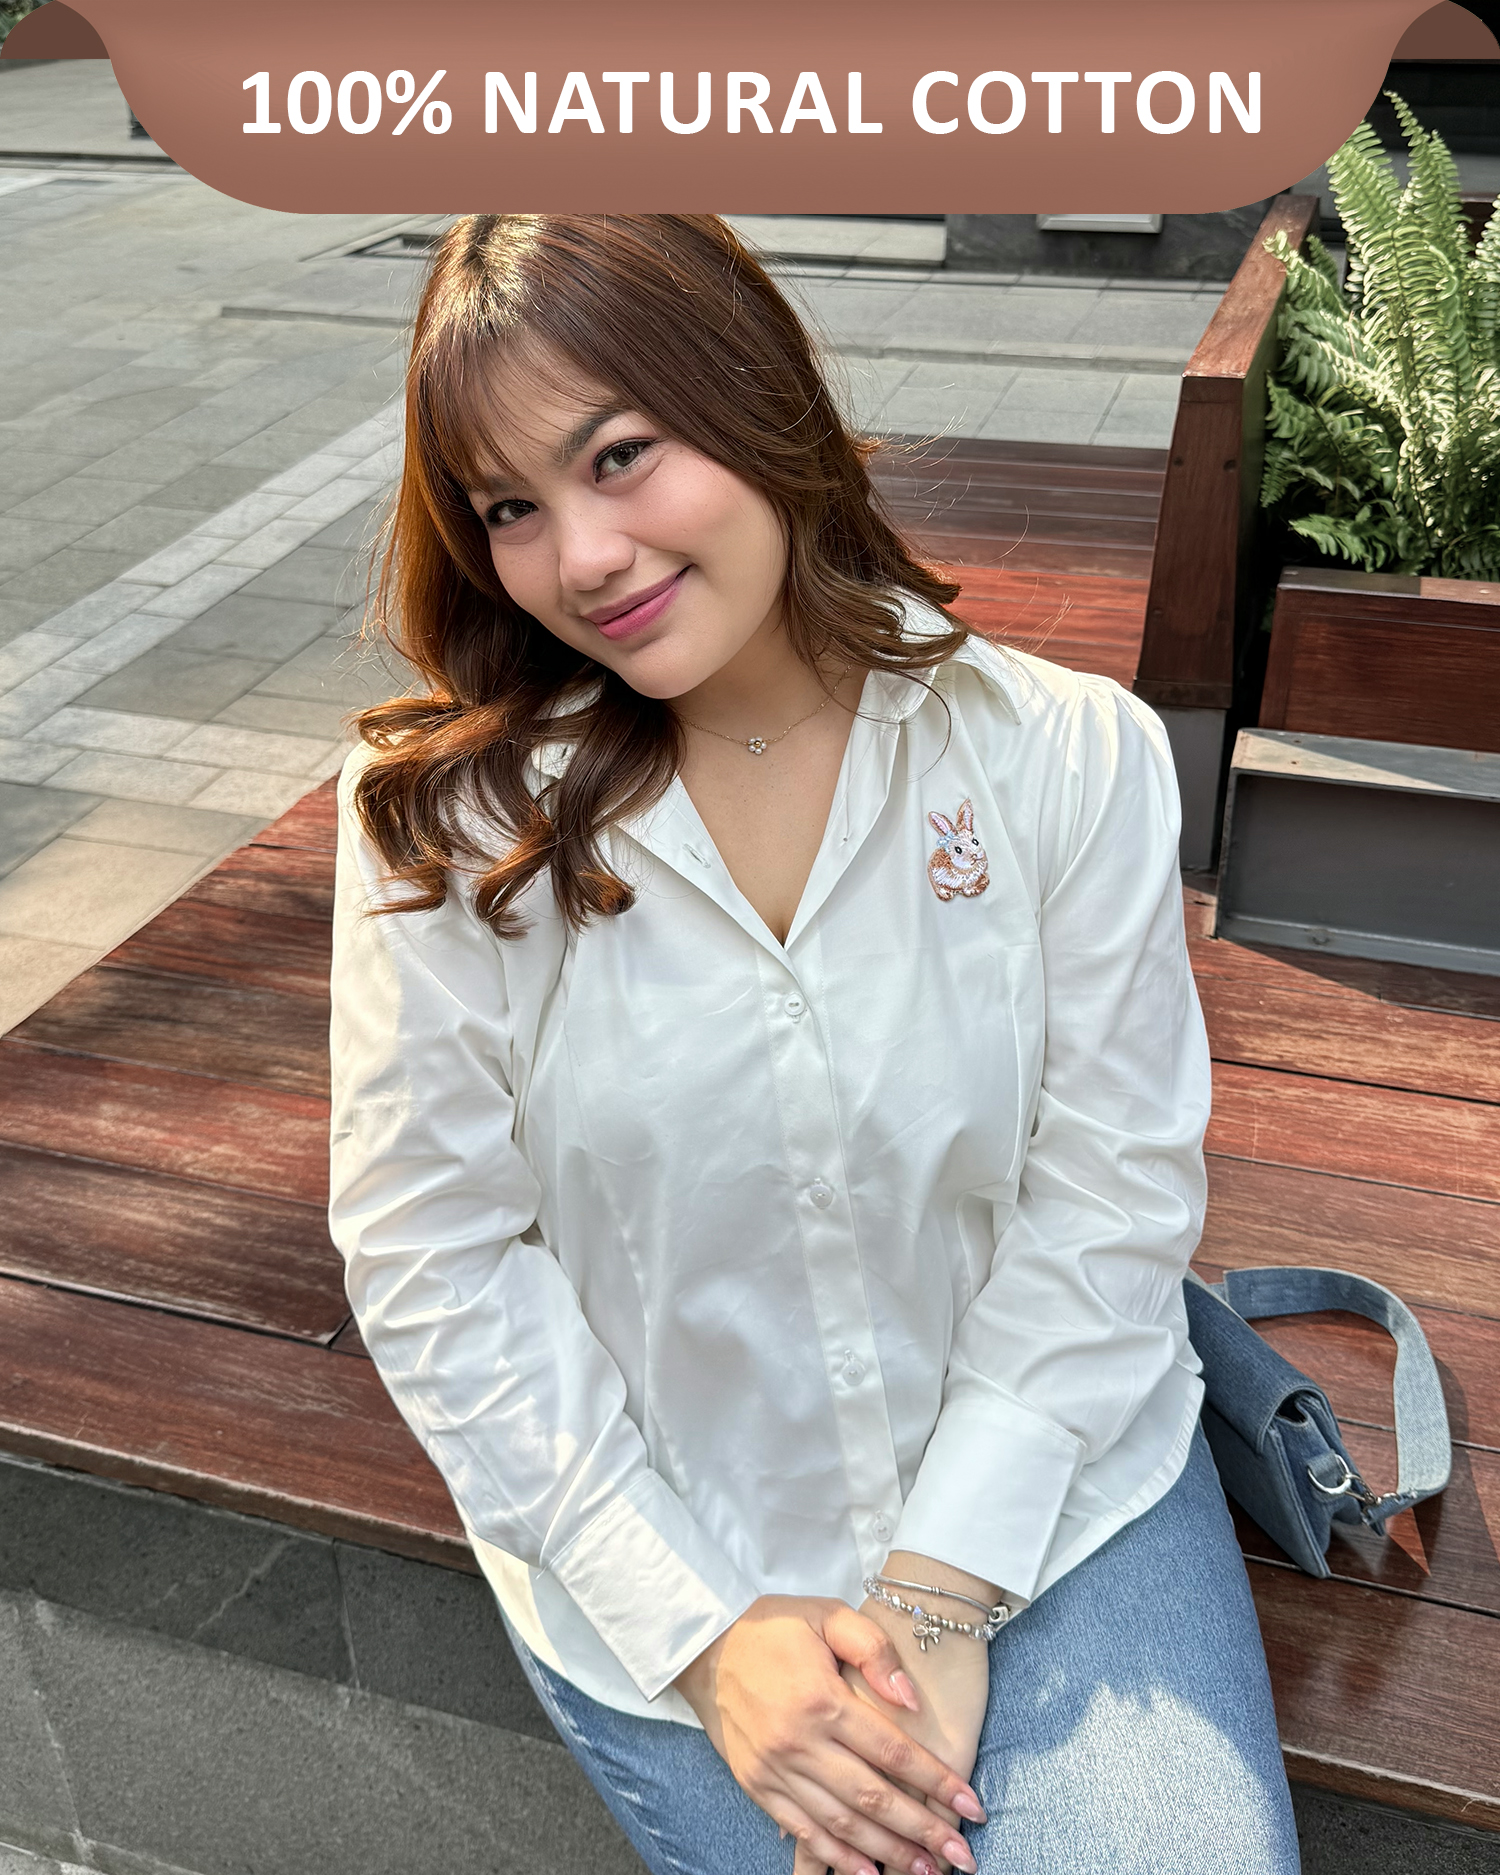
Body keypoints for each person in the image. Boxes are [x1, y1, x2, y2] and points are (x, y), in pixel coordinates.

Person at [327, 213, 1301, 1875]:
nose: (585, 557)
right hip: (681, 1543)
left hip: (1062, 1490)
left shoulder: (1064, 757)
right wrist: (703, 1635)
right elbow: (434, 1255)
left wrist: (941, 1589)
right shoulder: (449, 827)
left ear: (753, 393)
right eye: (511, 509)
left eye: (619, 456)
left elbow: (1113, 1191)